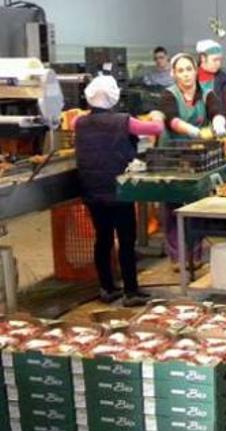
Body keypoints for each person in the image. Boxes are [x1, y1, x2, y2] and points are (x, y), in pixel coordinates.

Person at [74, 75, 164, 307]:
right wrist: (157, 114)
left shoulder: (79, 122)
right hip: (118, 190)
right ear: (113, 96)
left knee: (102, 238)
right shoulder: (124, 121)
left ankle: (107, 288)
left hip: (92, 190)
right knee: (126, 239)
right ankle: (131, 292)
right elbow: (156, 128)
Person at [156, 53, 226, 264]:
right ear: (173, 74)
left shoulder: (206, 93)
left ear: (196, 71)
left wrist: (219, 123)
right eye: (180, 71)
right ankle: (178, 258)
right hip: (172, 156)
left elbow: (217, 110)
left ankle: (195, 254)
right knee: (173, 206)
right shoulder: (169, 95)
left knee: (197, 202)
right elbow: (172, 120)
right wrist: (195, 132)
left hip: (197, 157)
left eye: (189, 69)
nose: (186, 75)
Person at [195, 39, 226, 127]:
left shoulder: (224, 80)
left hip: (221, 128)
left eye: (220, 60)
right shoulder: (192, 77)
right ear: (203, 58)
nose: (218, 63)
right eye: (215, 60)